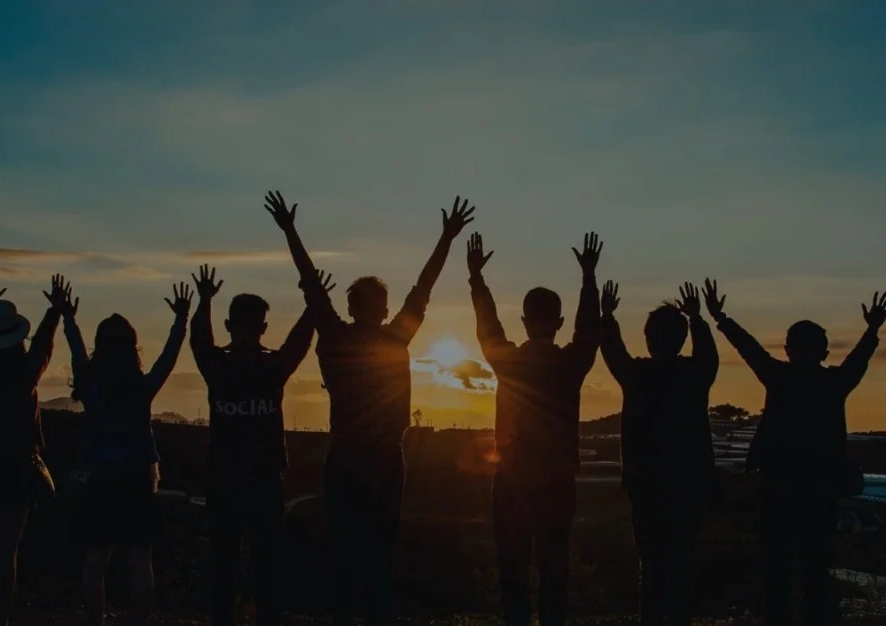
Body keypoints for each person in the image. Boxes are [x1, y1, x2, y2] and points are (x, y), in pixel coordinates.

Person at [264, 190, 475, 626]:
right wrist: (446, 240)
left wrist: (290, 231)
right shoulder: (394, 337)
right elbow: (423, 288)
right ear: (379, 308)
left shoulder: (337, 338)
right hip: (382, 458)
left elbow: (310, 284)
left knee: (344, 548)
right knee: (380, 550)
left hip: (345, 455)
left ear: (350, 307)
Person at [705, 280, 886, 626]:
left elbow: (749, 349)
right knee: (816, 576)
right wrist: (872, 330)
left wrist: (721, 317)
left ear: (788, 349)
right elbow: (858, 360)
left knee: (776, 577)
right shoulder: (833, 383)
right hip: (819, 494)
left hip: (777, 492)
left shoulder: (779, 377)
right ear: (824, 352)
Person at [466, 231, 603, 626]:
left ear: (524, 322)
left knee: (513, 572)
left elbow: (487, 326)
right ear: (559, 322)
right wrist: (589, 278)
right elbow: (589, 333)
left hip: (511, 479)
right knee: (554, 571)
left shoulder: (507, 363)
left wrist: (477, 279)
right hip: (558, 481)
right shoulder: (571, 364)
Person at [188, 264, 330, 626]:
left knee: (223, 564)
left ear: (229, 325)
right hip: (265, 482)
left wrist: (203, 300)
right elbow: (300, 341)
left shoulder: (216, 366)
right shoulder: (273, 367)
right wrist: (312, 306)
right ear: (264, 327)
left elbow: (199, 339)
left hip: (223, 479)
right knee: (267, 566)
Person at [64, 281, 192, 626]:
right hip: (137, 479)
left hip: (101, 478)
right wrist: (181, 320)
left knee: (95, 560)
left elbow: (76, 351)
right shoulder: (141, 387)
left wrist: (68, 319)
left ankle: (96, 623)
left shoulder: (90, 384)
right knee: (140, 560)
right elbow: (167, 357)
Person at [598, 281, 719, 626]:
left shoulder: (637, 375)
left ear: (649, 339)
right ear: (681, 340)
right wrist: (698, 319)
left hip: (646, 487)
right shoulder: (695, 375)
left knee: (650, 568)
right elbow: (709, 355)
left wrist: (607, 316)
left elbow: (612, 350)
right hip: (688, 486)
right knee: (681, 566)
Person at [0, 271, 67, 626]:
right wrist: (56, 310)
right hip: (16, 465)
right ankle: (0, 621)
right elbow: (45, 345)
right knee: (6, 550)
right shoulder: (24, 372)